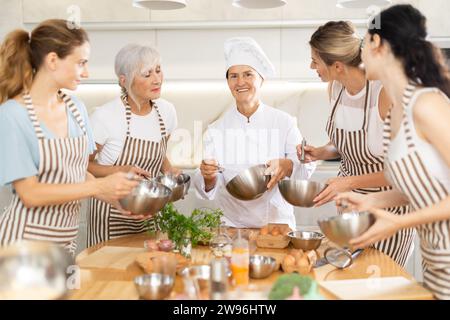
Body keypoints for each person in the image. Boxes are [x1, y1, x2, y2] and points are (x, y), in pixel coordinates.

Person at [335, 4, 450, 299]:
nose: (359, 54)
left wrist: (399, 221)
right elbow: (425, 186)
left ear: (376, 43)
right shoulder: (396, 112)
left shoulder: (427, 104)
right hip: (436, 262)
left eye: (363, 41)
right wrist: (369, 200)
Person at [0, 19, 138, 255]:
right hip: (23, 245)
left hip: (64, 244)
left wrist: (116, 199)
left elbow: (78, 172)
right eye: (81, 62)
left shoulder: (76, 108)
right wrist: (99, 186)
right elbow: (30, 193)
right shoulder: (12, 115)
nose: (87, 72)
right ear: (52, 60)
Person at [296, 21, 415, 267]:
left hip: (388, 212)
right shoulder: (335, 88)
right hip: (351, 211)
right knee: (352, 282)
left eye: (315, 61)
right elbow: (347, 145)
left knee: (379, 285)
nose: (311, 66)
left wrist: (348, 182)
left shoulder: (384, 94)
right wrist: (321, 152)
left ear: (337, 66)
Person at [193, 37, 315, 230]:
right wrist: (208, 177)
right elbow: (207, 187)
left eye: (248, 74)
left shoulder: (284, 122)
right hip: (232, 227)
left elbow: (306, 167)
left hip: (276, 225)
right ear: (227, 82)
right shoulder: (216, 129)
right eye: (233, 76)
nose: (240, 82)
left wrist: (288, 164)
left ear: (261, 79)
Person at [87, 44, 180, 247]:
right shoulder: (105, 116)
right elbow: (83, 165)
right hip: (111, 215)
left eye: (158, 70)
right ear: (124, 80)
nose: (157, 79)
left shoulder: (167, 112)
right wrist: (120, 170)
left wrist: (169, 169)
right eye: (147, 74)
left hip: (149, 213)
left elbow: (160, 152)